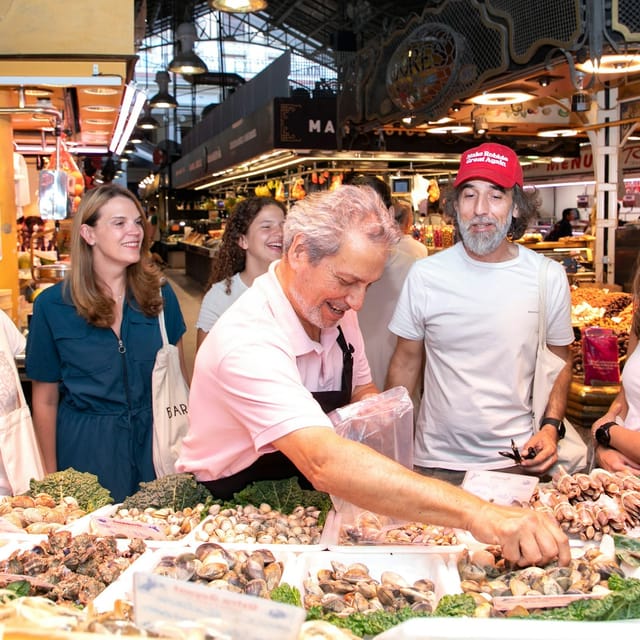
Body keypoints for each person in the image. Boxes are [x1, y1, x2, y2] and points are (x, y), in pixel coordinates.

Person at [177, 183, 569, 568]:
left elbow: (362, 391)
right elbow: (323, 461)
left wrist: (376, 421)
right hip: (227, 516)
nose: (357, 302)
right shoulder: (247, 340)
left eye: (367, 285)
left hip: (305, 503)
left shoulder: (335, 313)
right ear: (298, 253)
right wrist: (482, 514)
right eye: (346, 281)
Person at [386, 142, 574, 484]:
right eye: (469, 195)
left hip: (517, 461)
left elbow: (560, 360)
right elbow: (406, 361)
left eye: (496, 196)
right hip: (433, 464)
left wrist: (551, 427)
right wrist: (391, 441)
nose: (480, 209)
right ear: (455, 206)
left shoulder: (547, 277)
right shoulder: (426, 275)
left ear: (516, 208)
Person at [26, 184, 187, 503]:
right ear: (88, 233)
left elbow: (181, 378)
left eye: (138, 222)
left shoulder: (160, 296)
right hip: (86, 453)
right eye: (119, 223)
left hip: (155, 450)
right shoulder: (51, 307)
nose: (135, 231)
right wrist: (52, 479)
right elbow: (44, 401)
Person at [195, 197, 286, 350]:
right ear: (243, 240)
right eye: (266, 227)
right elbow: (204, 367)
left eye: (284, 225)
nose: (280, 233)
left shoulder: (298, 291)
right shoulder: (220, 298)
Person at [591, 263, 640, 472]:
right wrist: (604, 448)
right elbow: (626, 396)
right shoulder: (638, 322)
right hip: (625, 483)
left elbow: (604, 427)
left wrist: (606, 431)